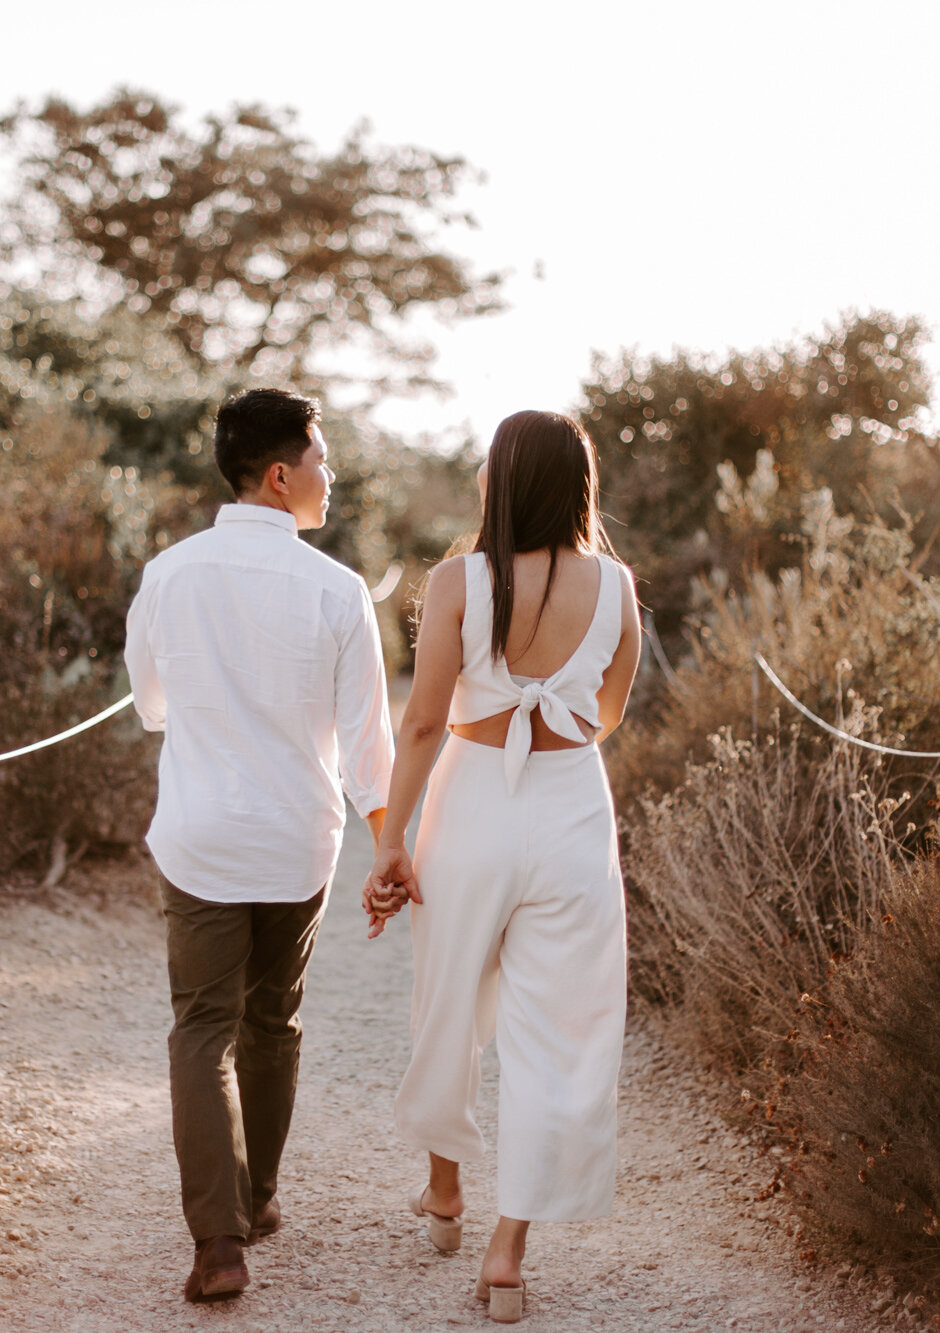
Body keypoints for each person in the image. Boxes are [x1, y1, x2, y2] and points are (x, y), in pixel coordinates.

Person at [363, 409, 639, 1324]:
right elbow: (606, 714)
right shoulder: (618, 587)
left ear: (500, 478)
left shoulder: (458, 579)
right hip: (570, 808)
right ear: (579, 484)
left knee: (448, 998)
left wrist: (390, 839)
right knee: (557, 1030)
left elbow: (420, 722)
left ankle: (444, 1189)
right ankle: (508, 1251)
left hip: (473, 799)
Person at [123, 388, 394, 1304]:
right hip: (295, 838)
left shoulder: (168, 572)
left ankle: (219, 1243)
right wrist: (390, 846)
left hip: (199, 836)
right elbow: (368, 749)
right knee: (271, 1019)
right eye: (322, 461)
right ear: (281, 476)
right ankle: (260, 1194)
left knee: (202, 1028)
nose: (331, 476)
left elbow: (152, 705)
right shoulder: (338, 590)